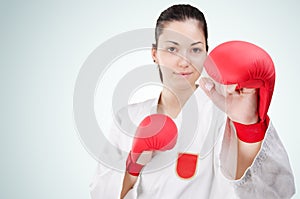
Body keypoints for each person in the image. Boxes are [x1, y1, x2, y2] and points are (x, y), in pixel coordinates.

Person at [90, 4, 295, 199]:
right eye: (172, 49)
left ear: (206, 53)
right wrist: (134, 162)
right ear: (154, 54)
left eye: (195, 50)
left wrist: (249, 127)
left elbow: (275, 192)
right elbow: (100, 193)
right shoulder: (127, 118)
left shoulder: (226, 114)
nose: (184, 61)